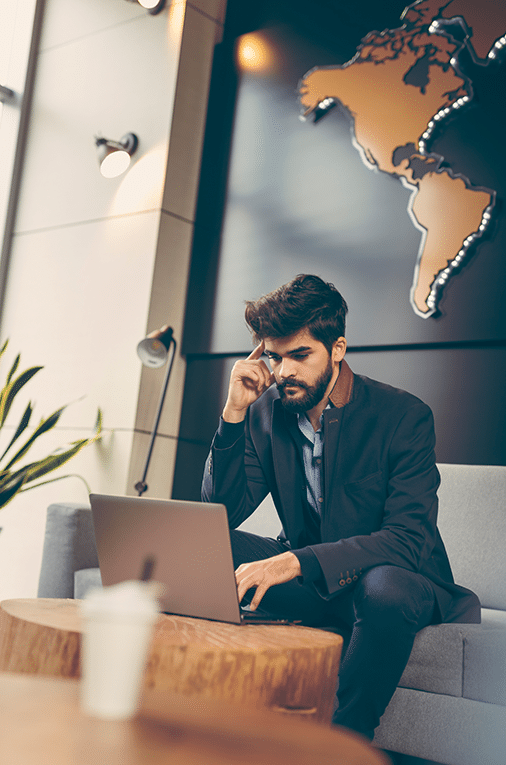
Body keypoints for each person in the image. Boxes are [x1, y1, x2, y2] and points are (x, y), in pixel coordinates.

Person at [201, 274, 480, 741]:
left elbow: (407, 540)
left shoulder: (403, 416)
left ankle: (342, 744)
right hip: (318, 582)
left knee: (383, 587)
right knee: (205, 546)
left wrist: (295, 561)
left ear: (337, 349)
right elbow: (221, 511)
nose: (284, 370)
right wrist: (233, 415)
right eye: (274, 356)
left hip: (400, 581)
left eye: (299, 355)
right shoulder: (266, 412)